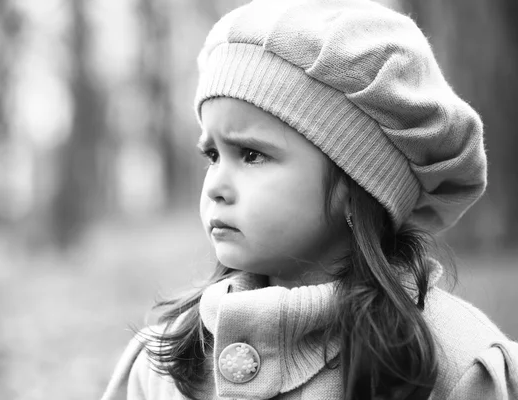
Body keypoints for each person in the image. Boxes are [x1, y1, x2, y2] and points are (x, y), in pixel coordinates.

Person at [101, 0, 518, 399]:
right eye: (212, 155)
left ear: (356, 189)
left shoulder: (456, 366)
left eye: (251, 154)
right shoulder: (169, 364)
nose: (214, 186)